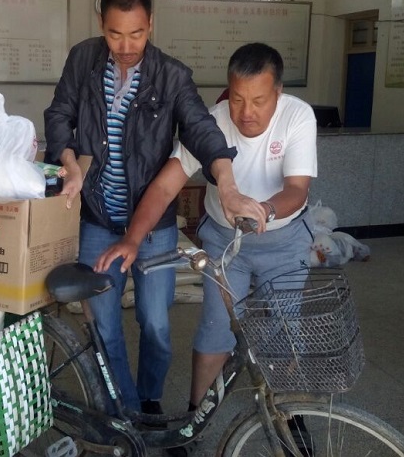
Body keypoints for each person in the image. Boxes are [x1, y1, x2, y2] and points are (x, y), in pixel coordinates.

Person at [43, 0, 254, 416]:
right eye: (115, 34)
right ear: (101, 24)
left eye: (136, 34)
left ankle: (150, 398)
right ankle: (125, 410)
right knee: (103, 324)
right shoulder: (83, 59)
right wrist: (69, 160)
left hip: (154, 228)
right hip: (97, 219)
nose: (126, 46)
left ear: (151, 24)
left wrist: (227, 183)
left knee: (156, 322)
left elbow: (201, 129)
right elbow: (60, 112)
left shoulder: (171, 76)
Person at [95, 42, 317, 451]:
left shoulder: (298, 116)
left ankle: (290, 414)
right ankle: (195, 417)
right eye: (238, 99)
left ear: (278, 93)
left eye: (259, 101)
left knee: (285, 331)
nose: (246, 112)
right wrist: (133, 238)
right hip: (226, 241)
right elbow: (165, 186)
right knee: (215, 329)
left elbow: (297, 189)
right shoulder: (211, 122)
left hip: (284, 241)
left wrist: (264, 210)